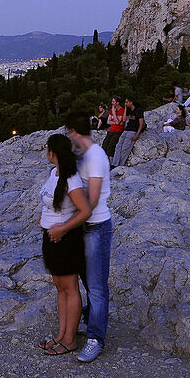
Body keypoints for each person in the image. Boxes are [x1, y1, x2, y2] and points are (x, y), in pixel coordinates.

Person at [35, 134, 91, 356]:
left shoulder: (72, 179)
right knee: (60, 288)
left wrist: (63, 228)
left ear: (53, 153)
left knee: (70, 288)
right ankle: (61, 334)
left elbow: (84, 211)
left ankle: (70, 340)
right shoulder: (53, 173)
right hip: (51, 239)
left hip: (66, 240)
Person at [65, 112, 112, 363]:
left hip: (95, 227)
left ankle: (96, 338)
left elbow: (91, 201)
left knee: (96, 286)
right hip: (84, 228)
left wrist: (67, 224)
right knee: (87, 281)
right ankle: (91, 319)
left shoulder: (95, 156)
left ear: (74, 132)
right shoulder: (84, 155)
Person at [111, 97, 145, 168]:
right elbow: (124, 119)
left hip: (133, 130)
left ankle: (120, 165)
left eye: (126, 102)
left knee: (125, 148)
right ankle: (114, 164)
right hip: (127, 129)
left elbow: (141, 123)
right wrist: (126, 109)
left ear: (131, 102)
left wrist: (137, 135)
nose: (125, 104)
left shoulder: (139, 110)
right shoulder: (129, 110)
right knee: (118, 146)